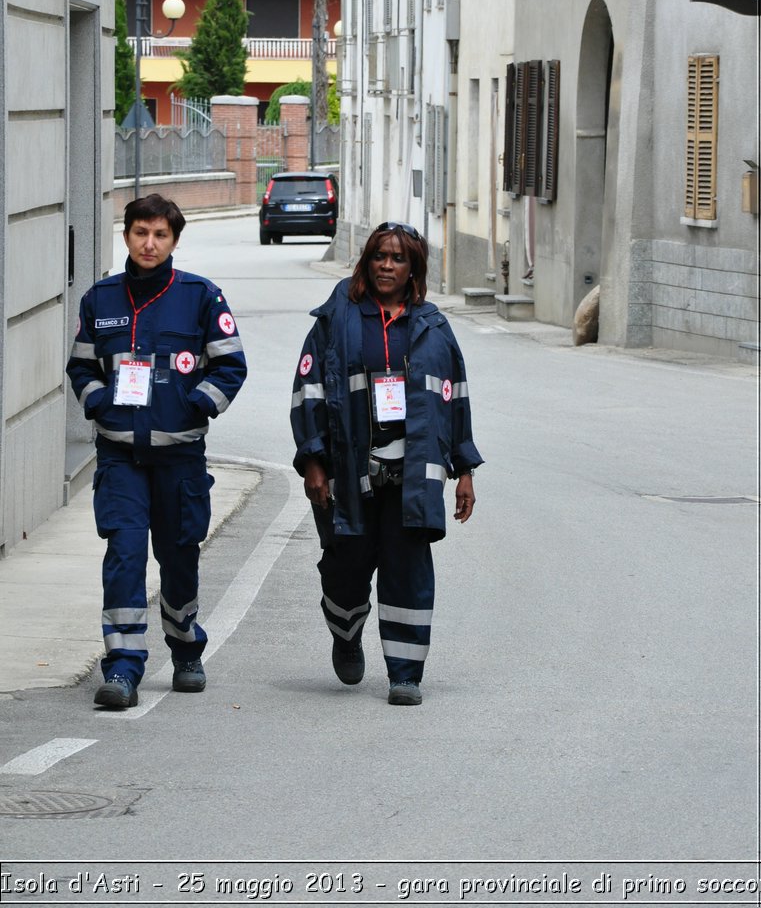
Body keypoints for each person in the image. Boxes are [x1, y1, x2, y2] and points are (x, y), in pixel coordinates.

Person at [290, 221, 483, 706]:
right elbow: (308, 392)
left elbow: (454, 399)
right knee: (346, 567)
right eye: (380, 256)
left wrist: (465, 472)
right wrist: (314, 462)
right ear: (366, 261)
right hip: (348, 475)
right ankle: (345, 630)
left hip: (414, 476)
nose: (387, 265)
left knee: (408, 570)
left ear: (413, 267)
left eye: (398, 258)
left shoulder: (433, 327)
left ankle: (405, 674)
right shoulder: (337, 319)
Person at [66, 194, 247, 710]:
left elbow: (232, 366)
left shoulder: (201, 297)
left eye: (160, 235)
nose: (150, 243)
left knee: (178, 559)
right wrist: (98, 400)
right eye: (141, 232)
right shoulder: (100, 299)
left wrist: (198, 405)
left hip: (180, 460)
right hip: (120, 456)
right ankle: (122, 668)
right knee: (124, 555)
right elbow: (80, 367)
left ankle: (185, 646)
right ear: (126, 236)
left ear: (174, 240)